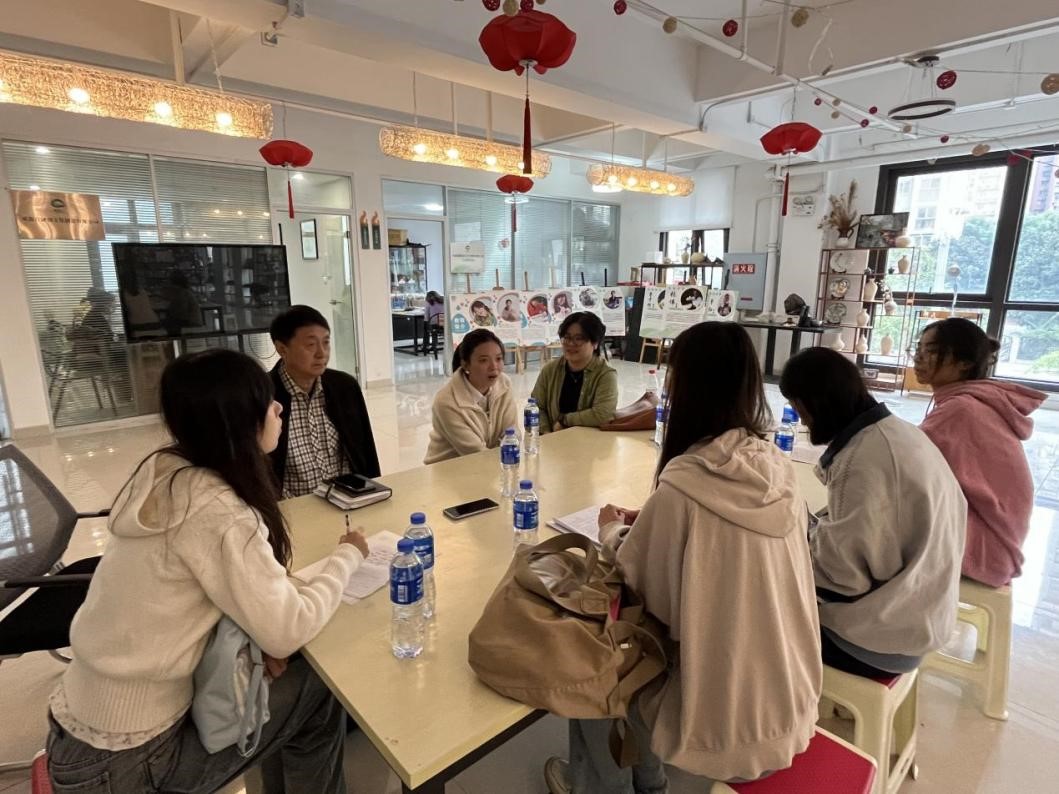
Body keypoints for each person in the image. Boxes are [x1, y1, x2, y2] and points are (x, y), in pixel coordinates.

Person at [45, 349, 370, 793]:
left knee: (281, 673)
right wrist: (346, 558)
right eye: (267, 401)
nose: (279, 408)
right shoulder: (216, 509)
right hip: (130, 760)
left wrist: (261, 633)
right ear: (237, 420)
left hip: (79, 727)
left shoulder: (164, 471)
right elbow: (289, 629)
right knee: (318, 685)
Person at [544, 322, 821, 793]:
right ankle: (651, 785)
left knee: (595, 664)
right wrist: (655, 519)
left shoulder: (687, 484)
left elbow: (641, 585)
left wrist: (612, 528)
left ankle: (599, 787)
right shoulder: (775, 466)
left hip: (723, 729)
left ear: (689, 386)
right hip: (791, 701)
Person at [780, 347, 966, 678]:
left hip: (878, 641)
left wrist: (797, 543)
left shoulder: (863, 460)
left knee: (757, 605)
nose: (800, 419)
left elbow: (843, 579)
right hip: (921, 617)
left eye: (798, 407)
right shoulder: (897, 432)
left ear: (815, 403)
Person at [915, 318, 1046, 587]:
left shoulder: (960, 409)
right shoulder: (972, 401)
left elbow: (903, 461)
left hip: (986, 547)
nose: (919, 357)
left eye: (932, 351)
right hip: (997, 541)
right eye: (918, 348)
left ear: (964, 362)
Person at [269, 305, 380, 498]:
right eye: (311, 345)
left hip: (348, 500)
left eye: (326, 342)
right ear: (282, 349)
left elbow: (365, 451)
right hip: (293, 508)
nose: (322, 353)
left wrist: (374, 495)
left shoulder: (344, 386)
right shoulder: (263, 395)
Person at [424, 329, 518, 464]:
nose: (494, 367)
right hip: (448, 468)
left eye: (498, 359)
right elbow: (475, 453)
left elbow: (512, 432)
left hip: (489, 464)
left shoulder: (504, 384)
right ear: (465, 364)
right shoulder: (446, 401)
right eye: (483, 360)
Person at [531, 312, 618, 433]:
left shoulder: (605, 374)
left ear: (595, 343)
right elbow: (536, 406)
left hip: (588, 441)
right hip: (552, 439)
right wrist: (547, 434)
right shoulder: (550, 370)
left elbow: (603, 414)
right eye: (567, 338)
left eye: (578, 339)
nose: (571, 344)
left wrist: (565, 420)